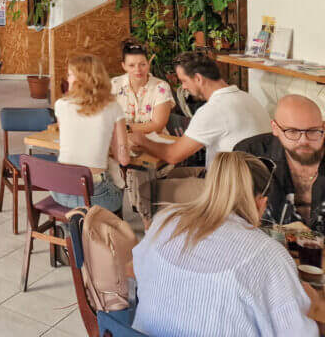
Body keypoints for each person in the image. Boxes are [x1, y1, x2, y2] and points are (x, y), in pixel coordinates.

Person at [132, 151, 320, 337]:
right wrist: (314, 303)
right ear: (261, 203)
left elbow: (138, 272)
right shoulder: (269, 254)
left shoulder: (165, 219)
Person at [130, 52, 270, 167]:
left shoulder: (212, 110)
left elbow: (173, 156)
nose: (183, 87)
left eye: (184, 81)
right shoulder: (247, 98)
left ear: (198, 78)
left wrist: (142, 140)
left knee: (147, 189)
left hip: (226, 192)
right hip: (254, 185)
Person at [52, 54, 131, 212]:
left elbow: (72, 138)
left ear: (80, 78)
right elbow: (123, 159)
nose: (67, 79)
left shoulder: (60, 105)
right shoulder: (114, 108)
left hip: (61, 191)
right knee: (117, 188)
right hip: (97, 195)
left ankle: (75, 225)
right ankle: (98, 229)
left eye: (69, 74)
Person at [237, 94, 325, 230]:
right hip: (270, 246)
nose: (304, 141)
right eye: (292, 131)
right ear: (275, 128)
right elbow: (228, 212)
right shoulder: (250, 154)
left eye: (313, 131)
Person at [112, 39, 174, 134]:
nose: (138, 70)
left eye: (142, 64)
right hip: (122, 140)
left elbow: (157, 126)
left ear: (148, 64)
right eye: (131, 65)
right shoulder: (114, 84)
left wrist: (125, 128)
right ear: (123, 66)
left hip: (155, 142)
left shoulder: (161, 87)